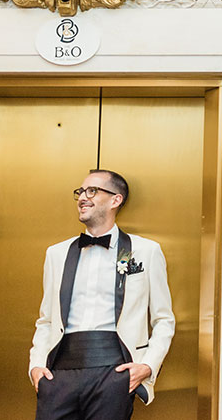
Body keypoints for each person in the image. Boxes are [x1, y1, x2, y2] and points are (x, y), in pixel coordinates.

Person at [28, 169, 175, 420]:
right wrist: (36, 366)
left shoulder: (147, 251)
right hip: (59, 374)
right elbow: (46, 319)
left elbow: (163, 319)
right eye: (80, 192)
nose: (82, 198)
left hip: (115, 372)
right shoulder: (56, 253)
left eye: (92, 191)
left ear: (115, 200)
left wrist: (147, 366)